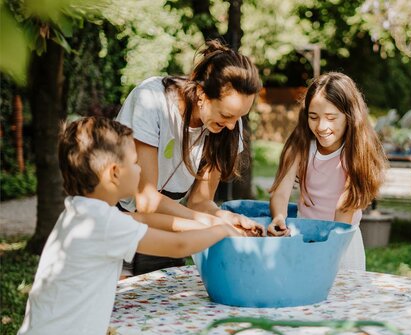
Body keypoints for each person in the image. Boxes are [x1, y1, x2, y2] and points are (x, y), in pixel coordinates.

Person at [17, 117, 252, 335]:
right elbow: (179, 247)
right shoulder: (103, 223)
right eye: (135, 162)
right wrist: (222, 231)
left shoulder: (84, 213)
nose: (140, 169)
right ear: (115, 173)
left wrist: (206, 223)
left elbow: (145, 219)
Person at [115, 39, 263, 275]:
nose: (232, 126)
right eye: (227, 115)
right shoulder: (152, 101)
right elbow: (147, 201)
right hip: (120, 215)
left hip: (168, 221)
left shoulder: (228, 126)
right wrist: (212, 224)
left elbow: (200, 201)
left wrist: (225, 217)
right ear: (202, 94)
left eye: (240, 117)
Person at [268, 72, 387, 270]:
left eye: (331, 118)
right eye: (313, 117)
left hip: (342, 239)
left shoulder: (355, 154)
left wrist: (331, 252)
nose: (322, 126)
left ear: (350, 116)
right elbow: (280, 191)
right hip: (303, 237)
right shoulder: (299, 147)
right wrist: (279, 217)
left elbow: (344, 210)